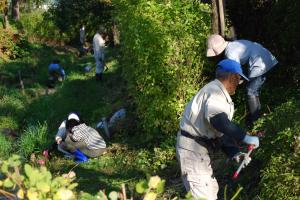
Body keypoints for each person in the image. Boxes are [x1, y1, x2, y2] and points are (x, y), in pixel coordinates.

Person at [176, 59, 260, 200]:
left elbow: (219, 132)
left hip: (198, 152)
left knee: (210, 190)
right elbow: (219, 122)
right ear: (232, 76)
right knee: (204, 195)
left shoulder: (216, 93)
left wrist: (235, 153)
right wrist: (245, 137)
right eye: (239, 80)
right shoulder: (215, 92)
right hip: (192, 152)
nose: (238, 84)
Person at [206, 34, 278, 126]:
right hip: (265, 57)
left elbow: (236, 71)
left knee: (250, 91)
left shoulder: (230, 53)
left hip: (261, 63)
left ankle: (257, 122)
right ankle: (258, 119)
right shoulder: (232, 45)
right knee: (252, 91)